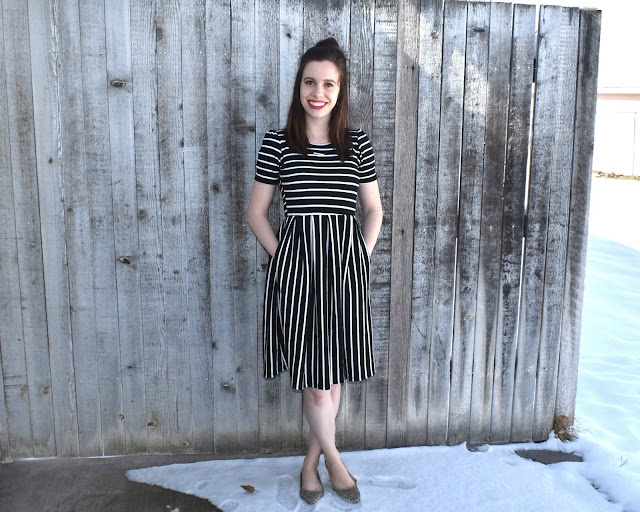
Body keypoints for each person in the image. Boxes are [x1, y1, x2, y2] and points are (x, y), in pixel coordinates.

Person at [247, 37, 383, 505]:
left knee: (331, 376)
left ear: (340, 90)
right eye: (310, 82)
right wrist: (283, 258)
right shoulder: (278, 142)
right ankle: (336, 463)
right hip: (297, 278)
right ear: (299, 86)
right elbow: (257, 214)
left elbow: (374, 211)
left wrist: (360, 256)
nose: (318, 92)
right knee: (317, 383)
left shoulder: (356, 144)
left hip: (345, 275)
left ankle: (310, 464)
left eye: (328, 84)